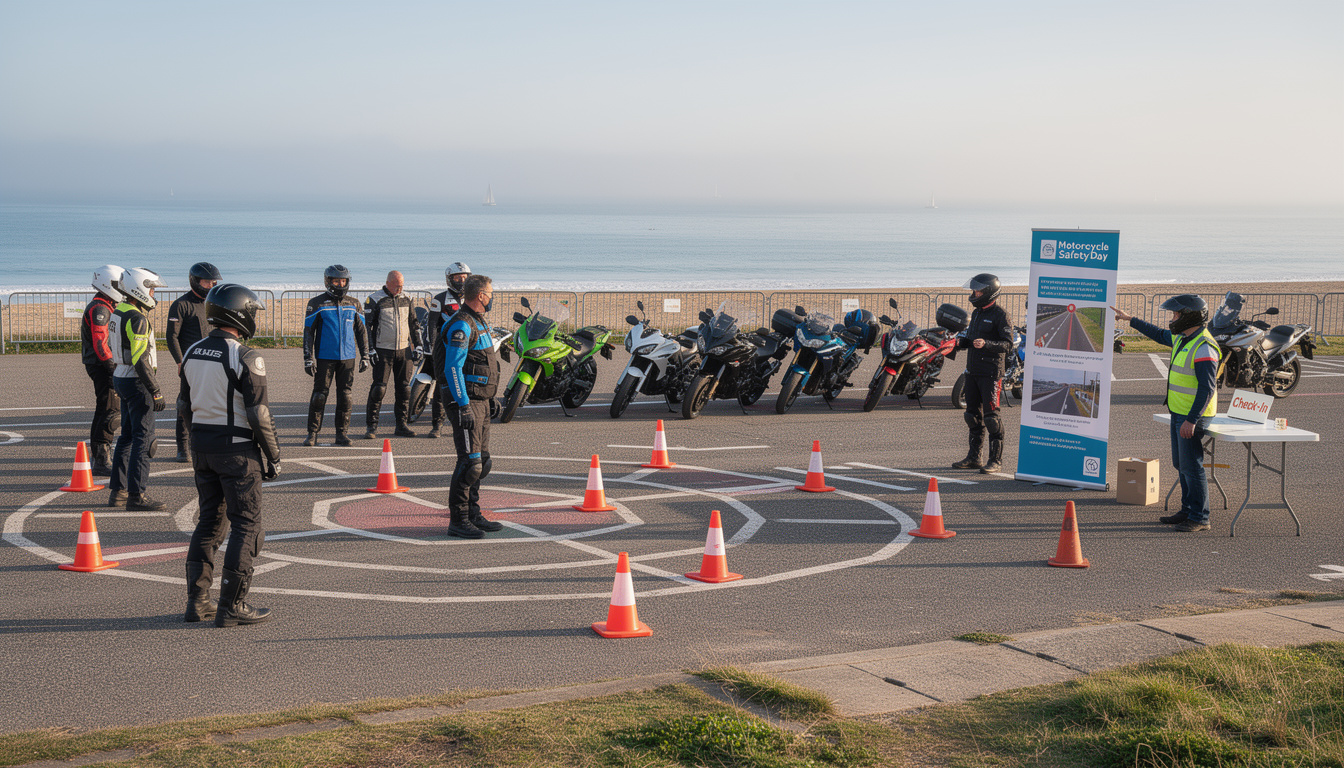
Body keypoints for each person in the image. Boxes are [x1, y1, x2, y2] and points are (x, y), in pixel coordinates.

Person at [178, 283, 281, 626]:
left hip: (203, 448)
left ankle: (198, 602)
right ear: (240, 314)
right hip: (237, 451)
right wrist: (274, 455)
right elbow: (258, 414)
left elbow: (184, 405)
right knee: (247, 526)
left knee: (209, 523)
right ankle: (232, 606)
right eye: (251, 312)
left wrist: (198, 441)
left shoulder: (192, 351)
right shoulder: (246, 356)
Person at [1112, 296, 1219, 532]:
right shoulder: (1184, 338)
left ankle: (1200, 517)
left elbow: (1207, 388)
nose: (1172, 319)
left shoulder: (1204, 346)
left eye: (1176, 315)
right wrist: (1131, 320)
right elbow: (1159, 335)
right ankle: (1187, 510)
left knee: (1192, 466)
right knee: (1181, 464)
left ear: (1190, 316)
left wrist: (1192, 419)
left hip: (1193, 416)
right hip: (1179, 411)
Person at [441, 274, 503, 539]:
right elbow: (453, 367)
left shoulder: (479, 322)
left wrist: (489, 398)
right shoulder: (462, 325)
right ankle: (459, 519)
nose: (491, 298)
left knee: (483, 461)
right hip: (465, 402)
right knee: (470, 464)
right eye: (490, 293)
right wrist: (463, 404)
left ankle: (474, 513)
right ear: (481, 296)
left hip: (481, 401)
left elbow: (481, 364)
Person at [106, 267, 169, 510]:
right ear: (139, 289)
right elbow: (141, 359)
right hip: (136, 381)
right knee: (145, 439)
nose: (154, 293)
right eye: (151, 288)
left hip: (120, 376)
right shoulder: (137, 318)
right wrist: (156, 391)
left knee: (127, 437)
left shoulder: (118, 311)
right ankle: (137, 495)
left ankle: (118, 492)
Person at [952, 273, 1014, 473]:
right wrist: (961, 342)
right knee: (972, 416)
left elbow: (1007, 344)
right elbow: (972, 339)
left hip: (991, 373)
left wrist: (987, 344)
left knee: (991, 418)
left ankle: (995, 460)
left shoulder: (1001, 315)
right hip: (972, 371)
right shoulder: (977, 313)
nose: (974, 293)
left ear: (988, 292)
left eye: (978, 290)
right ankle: (973, 458)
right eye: (974, 289)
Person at [302, 265, 368, 447]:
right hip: (325, 357)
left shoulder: (354, 304)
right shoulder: (316, 303)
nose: (340, 284)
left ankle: (341, 434)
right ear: (328, 281)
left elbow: (362, 332)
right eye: (336, 280)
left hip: (348, 358)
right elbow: (308, 333)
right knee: (319, 396)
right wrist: (308, 358)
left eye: (343, 281)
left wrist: (365, 356)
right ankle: (312, 433)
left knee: (345, 396)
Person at [166, 262, 221, 462]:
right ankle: (183, 447)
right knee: (185, 403)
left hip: (213, 361)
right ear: (196, 281)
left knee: (213, 401)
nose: (211, 285)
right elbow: (171, 336)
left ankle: (209, 442)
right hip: (190, 363)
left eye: (213, 282)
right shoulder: (181, 305)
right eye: (207, 282)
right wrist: (180, 362)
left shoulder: (213, 303)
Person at [363, 270, 422, 439]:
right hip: (383, 350)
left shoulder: (407, 298)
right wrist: (371, 349)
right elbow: (367, 327)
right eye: (397, 286)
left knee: (404, 389)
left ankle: (401, 425)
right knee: (379, 389)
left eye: (402, 286)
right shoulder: (374, 299)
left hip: (404, 350)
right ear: (388, 283)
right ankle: (371, 426)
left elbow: (414, 323)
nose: (399, 289)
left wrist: (418, 345)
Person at [81, 265, 125, 476]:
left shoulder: (105, 304)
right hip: (102, 366)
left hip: (99, 364)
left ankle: (100, 456)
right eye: (119, 284)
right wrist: (113, 368)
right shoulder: (100, 308)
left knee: (104, 409)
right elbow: (101, 344)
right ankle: (101, 460)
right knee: (110, 412)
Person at [425, 262, 472, 438]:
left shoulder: (471, 297)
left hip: (466, 349)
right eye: (458, 277)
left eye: (464, 277)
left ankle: (465, 419)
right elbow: (432, 324)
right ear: (450, 279)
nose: (461, 280)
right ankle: (437, 424)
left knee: (466, 384)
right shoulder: (440, 299)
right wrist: (433, 346)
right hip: (444, 350)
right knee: (441, 387)